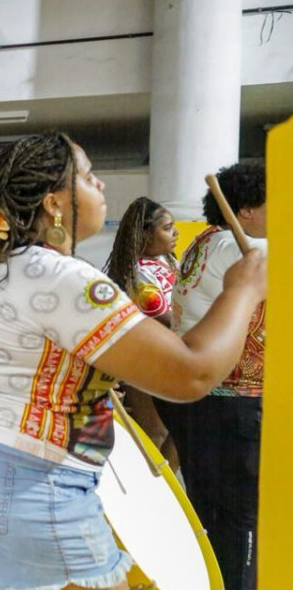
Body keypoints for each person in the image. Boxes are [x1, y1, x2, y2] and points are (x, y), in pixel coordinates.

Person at [0, 134, 264, 590]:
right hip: (24, 485)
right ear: (54, 202)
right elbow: (191, 374)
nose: (99, 185)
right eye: (87, 174)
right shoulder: (62, 278)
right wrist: (244, 288)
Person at [169, 162, 267, 590]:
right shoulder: (244, 249)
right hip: (233, 399)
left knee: (215, 509)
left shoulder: (204, 242)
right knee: (240, 515)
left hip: (202, 396)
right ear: (246, 211)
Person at [104, 197, 180, 468]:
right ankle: (155, 491)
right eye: (167, 228)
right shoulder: (138, 273)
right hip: (148, 365)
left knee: (177, 435)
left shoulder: (167, 262)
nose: (175, 232)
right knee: (155, 438)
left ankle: (166, 490)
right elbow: (166, 319)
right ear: (146, 234)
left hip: (170, 360)